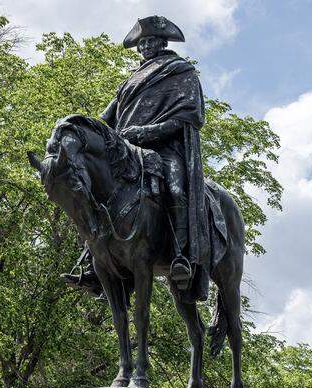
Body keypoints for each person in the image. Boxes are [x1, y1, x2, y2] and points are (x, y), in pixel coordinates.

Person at [63, 15, 211, 303]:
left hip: (166, 149)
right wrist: (82, 132)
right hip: (128, 152)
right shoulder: (130, 81)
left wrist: (145, 131)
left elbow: (190, 116)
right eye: (141, 43)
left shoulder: (181, 72)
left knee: (177, 188)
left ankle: (181, 256)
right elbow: (107, 118)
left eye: (150, 41)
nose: (145, 47)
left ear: (162, 43)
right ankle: (97, 263)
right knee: (94, 191)